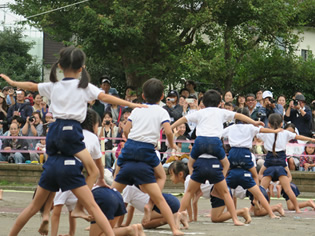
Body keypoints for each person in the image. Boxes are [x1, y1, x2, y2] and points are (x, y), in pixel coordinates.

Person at [1, 45, 144, 236]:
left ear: (60, 66)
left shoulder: (54, 85)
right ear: (81, 68)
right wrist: (131, 104)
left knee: (36, 201)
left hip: (54, 132)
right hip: (72, 131)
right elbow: (106, 97)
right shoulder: (84, 87)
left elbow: (30, 86)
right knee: (92, 170)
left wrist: (12, 81)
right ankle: (85, 204)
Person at [170, 89, 265, 226]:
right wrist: (254, 122)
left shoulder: (200, 112)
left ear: (203, 103)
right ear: (220, 103)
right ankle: (235, 219)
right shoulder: (222, 112)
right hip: (214, 142)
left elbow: (183, 119)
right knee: (226, 190)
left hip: (200, 142)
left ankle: (177, 217)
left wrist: (169, 128)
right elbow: (239, 115)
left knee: (189, 189)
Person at [112, 78, 184, 236]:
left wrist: (131, 137)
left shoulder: (137, 109)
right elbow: (168, 131)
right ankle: (174, 229)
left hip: (130, 147)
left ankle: (98, 223)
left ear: (143, 96)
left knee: (114, 191)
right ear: (162, 96)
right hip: (146, 150)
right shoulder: (162, 111)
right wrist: (172, 145)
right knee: (160, 180)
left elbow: (125, 130)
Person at [258, 113, 315, 213]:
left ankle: (262, 206)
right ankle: (297, 208)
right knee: (288, 189)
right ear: (281, 124)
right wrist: (310, 139)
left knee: (262, 187)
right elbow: (298, 137)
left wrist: (256, 124)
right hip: (281, 162)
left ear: (269, 124)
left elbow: (256, 132)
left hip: (269, 162)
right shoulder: (285, 133)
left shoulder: (265, 133)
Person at [120, 185, 188, 230]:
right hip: (169, 199)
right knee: (145, 222)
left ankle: (174, 216)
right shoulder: (133, 186)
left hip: (162, 203)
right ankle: (181, 215)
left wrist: (118, 225)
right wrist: (126, 224)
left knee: (145, 224)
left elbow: (122, 208)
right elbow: (131, 208)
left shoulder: (128, 188)